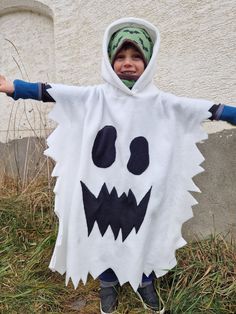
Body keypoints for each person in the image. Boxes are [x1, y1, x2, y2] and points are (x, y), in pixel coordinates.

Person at [0, 17, 235, 314]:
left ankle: (144, 280)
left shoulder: (163, 103)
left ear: (148, 61)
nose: (128, 63)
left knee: (145, 230)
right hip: (101, 184)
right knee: (102, 234)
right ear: (110, 60)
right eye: (120, 56)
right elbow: (54, 91)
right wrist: (14, 87)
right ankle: (108, 283)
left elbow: (206, 109)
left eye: (136, 56)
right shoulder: (95, 97)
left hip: (143, 187)